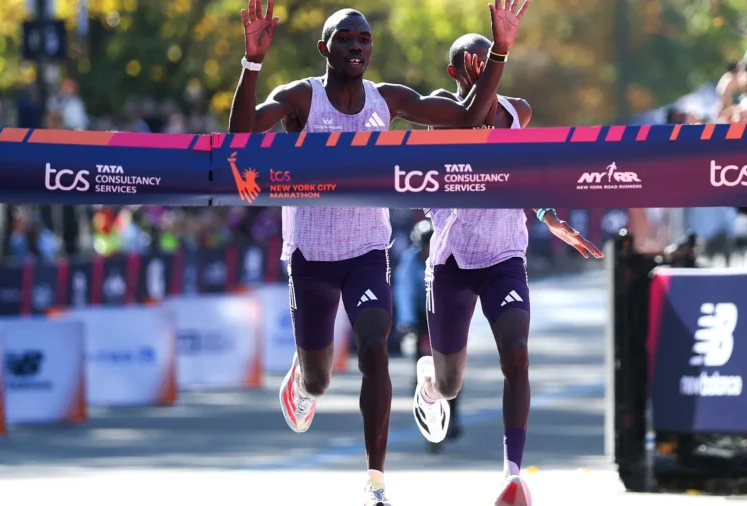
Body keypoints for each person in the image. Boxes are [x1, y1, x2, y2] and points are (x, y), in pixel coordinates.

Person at [227, 2, 530, 505]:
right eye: (345, 39)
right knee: (321, 379)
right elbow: (239, 137)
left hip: (368, 248)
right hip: (311, 253)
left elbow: (469, 117)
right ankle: (301, 377)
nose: (356, 47)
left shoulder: (384, 100)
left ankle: (375, 483)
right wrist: (252, 62)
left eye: (364, 40)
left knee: (375, 344)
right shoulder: (302, 97)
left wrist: (500, 49)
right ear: (325, 48)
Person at [412, 33, 604, 506]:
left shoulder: (518, 112)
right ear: (456, 73)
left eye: (490, 61)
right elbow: (472, 130)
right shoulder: (441, 112)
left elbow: (519, 172)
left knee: (516, 353)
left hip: (503, 256)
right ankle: (430, 382)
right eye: (472, 64)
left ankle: (511, 475)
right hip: (452, 260)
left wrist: (548, 217)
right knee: (451, 383)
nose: (483, 70)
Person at [393, 219, 462, 454]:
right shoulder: (410, 262)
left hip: (447, 316)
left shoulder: (450, 257)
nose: (427, 251)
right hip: (423, 319)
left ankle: (454, 417)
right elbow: (404, 292)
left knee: (453, 371)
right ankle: (423, 394)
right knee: (423, 365)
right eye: (423, 247)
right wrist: (406, 322)